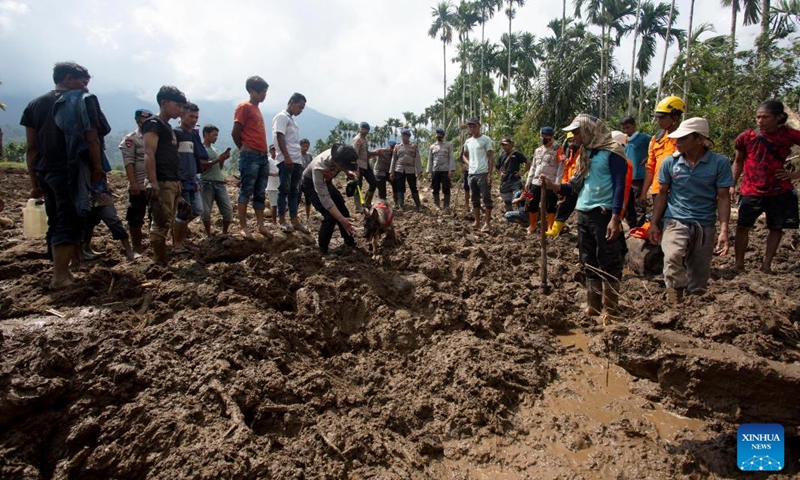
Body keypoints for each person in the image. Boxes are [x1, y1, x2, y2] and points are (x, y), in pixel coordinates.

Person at [21, 62, 104, 288]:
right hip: (71, 170)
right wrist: (97, 168)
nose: (86, 88)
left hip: (45, 171)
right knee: (70, 221)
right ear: (68, 78)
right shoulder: (81, 101)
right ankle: (59, 276)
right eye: (83, 82)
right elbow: (91, 138)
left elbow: (31, 148)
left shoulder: (34, 104)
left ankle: (63, 271)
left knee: (55, 219)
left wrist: (34, 182)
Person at [542, 114, 629, 318]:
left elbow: (619, 187)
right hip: (584, 212)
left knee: (607, 258)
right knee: (588, 258)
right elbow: (575, 186)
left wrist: (615, 218)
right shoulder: (585, 154)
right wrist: (554, 186)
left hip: (604, 212)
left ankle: (611, 308)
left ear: (589, 131)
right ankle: (593, 306)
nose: (573, 136)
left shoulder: (613, 152)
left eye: (577, 131)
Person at [647, 118, 733, 304]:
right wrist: (654, 222)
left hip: (704, 223)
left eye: (683, 139)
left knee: (700, 273)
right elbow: (662, 194)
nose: (677, 142)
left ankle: (695, 308)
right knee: (672, 257)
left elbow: (723, 197)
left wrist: (724, 230)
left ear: (700, 140)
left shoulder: (719, 163)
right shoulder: (670, 163)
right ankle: (675, 300)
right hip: (675, 219)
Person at [732, 100, 800, 274]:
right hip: (751, 189)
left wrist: (796, 174)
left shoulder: (788, 135)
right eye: (758, 117)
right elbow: (738, 162)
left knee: (776, 228)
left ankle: (766, 265)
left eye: (765, 117)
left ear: (778, 117)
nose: (760, 121)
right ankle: (739, 265)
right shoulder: (746, 137)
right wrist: (731, 184)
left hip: (779, 190)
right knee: (742, 227)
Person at [142, 85, 187, 265]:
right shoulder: (153, 124)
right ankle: (158, 262)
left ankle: (161, 259)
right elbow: (149, 153)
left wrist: (177, 180)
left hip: (172, 180)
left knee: (169, 220)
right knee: (161, 222)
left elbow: (171, 156)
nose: (180, 110)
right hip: (161, 180)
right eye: (178, 105)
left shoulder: (168, 127)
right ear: (164, 103)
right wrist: (153, 182)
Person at [302, 144, 359, 254]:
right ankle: (323, 250)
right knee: (330, 217)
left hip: (326, 182)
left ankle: (349, 242)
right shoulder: (320, 167)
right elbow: (325, 199)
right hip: (311, 185)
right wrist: (341, 219)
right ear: (337, 163)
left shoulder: (339, 153)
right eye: (345, 167)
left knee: (343, 211)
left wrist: (348, 172)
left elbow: (342, 165)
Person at [232, 75, 270, 238]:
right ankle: (243, 226)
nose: (264, 95)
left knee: (260, 192)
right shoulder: (244, 107)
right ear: (252, 91)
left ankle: (261, 225)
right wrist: (244, 149)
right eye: (262, 92)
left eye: (265, 92)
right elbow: (235, 132)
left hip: (262, 156)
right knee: (246, 190)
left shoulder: (257, 109)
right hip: (250, 155)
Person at [172, 102, 208, 253]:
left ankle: (181, 236)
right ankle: (177, 243)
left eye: (196, 117)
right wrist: (176, 178)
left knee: (197, 209)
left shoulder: (192, 134)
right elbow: (172, 158)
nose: (194, 120)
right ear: (181, 115)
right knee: (183, 212)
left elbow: (195, 158)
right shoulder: (175, 133)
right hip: (180, 178)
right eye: (191, 116)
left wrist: (195, 177)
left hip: (192, 178)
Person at [273, 92, 309, 233]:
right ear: (292, 103)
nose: (300, 110)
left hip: (296, 160)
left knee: (294, 191)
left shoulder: (292, 121)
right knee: (284, 190)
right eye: (300, 107)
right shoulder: (281, 117)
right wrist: (286, 157)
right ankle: (282, 220)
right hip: (286, 160)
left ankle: (294, 220)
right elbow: (279, 136)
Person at [640, 96, 684, 208]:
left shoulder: (686, 139)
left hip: (679, 192)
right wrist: (644, 192)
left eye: (662, 118)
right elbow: (651, 168)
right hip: (658, 191)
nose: (658, 121)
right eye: (657, 118)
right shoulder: (656, 139)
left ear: (676, 117)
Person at [120, 108, 152, 253]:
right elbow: (129, 162)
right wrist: (133, 183)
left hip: (153, 184)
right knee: (135, 217)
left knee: (156, 216)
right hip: (138, 185)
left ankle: (154, 244)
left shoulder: (154, 137)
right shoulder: (131, 139)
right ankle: (137, 247)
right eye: (143, 120)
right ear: (138, 120)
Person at [525, 126, 563, 234]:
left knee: (551, 204)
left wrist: (557, 183)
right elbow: (533, 166)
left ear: (551, 137)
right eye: (542, 136)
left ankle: (550, 227)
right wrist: (528, 181)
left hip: (550, 182)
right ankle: (532, 225)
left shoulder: (558, 150)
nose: (544, 138)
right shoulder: (538, 150)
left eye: (546, 136)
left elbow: (561, 167)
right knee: (531, 202)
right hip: (536, 181)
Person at [200, 124, 233, 236]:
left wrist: (222, 160)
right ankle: (208, 234)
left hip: (219, 182)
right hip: (206, 183)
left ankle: (224, 233)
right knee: (206, 212)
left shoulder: (214, 149)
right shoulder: (201, 149)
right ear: (206, 134)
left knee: (228, 210)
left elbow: (218, 168)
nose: (216, 137)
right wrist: (217, 159)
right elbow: (202, 166)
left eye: (217, 135)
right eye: (214, 135)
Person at [463, 117, 495, 232]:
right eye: (470, 126)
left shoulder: (486, 140)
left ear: (479, 126)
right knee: (474, 198)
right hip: (472, 173)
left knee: (486, 198)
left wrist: (490, 174)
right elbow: (464, 155)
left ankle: (487, 223)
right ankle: (477, 221)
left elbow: (491, 156)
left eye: (474, 126)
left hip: (483, 172)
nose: (472, 128)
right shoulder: (468, 141)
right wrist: (469, 163)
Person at [547, 132, 580, 237]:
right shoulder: (568, 152)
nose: (571, 143)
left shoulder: (583, 153)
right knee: (562, 204)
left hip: (580, 185)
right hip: (569, 184)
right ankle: (557, 228)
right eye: (569, 141)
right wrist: (563, 185)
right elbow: (564, 169)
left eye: (573, 140)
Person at [620, 116, 652, 228]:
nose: (626, 130)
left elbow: (654, 148)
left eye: (628, 127)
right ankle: (632, 226)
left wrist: (648, 157)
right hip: (627, 176)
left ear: (634, 125)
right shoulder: (624, 140)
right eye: (624, 128)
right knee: (628, 203)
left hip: (639, 176)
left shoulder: (644, 138)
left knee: (640, 203)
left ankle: (640, 226)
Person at [389, 129, 423, 211]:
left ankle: (418, 205)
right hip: (399, 169)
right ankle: (401, 206)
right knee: (400, 187)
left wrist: (419, 171)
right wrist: (391, 172)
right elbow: (394, 159)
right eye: (403, 136)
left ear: (409, 137)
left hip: (410, 169)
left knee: (413, 187)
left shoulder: (414, 146)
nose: (405, 137)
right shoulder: (397, 147)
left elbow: (417, 159)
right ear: (401, 136)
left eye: (406, 136)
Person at [496, 137, 529, 212]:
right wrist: (500, 173)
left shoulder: (517, 154)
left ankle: (522, 214)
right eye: (503, 145)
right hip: (505, 181)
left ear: (511, 145)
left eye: (506, 145)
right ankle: (510, 216)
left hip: (515, 180)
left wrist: (522, 172)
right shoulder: (502, 155)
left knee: (518, 198)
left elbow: (528, 162)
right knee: (507, 201)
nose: (504, 146)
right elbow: (497, 167)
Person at [428, 128, 455, 210]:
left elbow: (451, 158)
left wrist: (451, 170)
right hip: (435, 170)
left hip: (445, 170)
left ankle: (446, 205)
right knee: (435, 187)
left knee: (446, 187)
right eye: (437, 134)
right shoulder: (432, 146)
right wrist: (429, 171)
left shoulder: (448, 145)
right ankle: (437, 205)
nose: (438, 135)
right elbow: (430, 159)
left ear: (443, 135)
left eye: (440, 134)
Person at [353, 121, 378, 211]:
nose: (364, 131)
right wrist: (355, 169)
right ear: (360, 129)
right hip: (359, 165)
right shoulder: (358, 140)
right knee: (358, 186)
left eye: (366, 129)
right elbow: (354, 155)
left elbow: (365, 153)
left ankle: (367, 202)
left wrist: (374, 153)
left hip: (366, 165)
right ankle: (358, 206)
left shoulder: (364, 139)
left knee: (373, 183)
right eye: (363, 129)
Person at [300, 138, 313, 220]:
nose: (306, 148)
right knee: (297, 199)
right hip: (299, 180)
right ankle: (294, 217)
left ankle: (308, 217)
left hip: (308, 180)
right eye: (304, 146)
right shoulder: (297, 155)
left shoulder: (309, 156)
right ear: (300, 146)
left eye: (307, 146)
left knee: (308, 200)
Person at [267, 144, 279, 226]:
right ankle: (274, 222)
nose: (274, 151)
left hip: (280, 184)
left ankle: (281, 220)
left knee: (282, 204)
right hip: (271, 185)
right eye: (272, 149)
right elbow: (264, 171)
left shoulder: (280, 160)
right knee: (274, 205)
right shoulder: (268, 160)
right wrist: (273, 174)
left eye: (275, 149)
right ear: (270, 151)